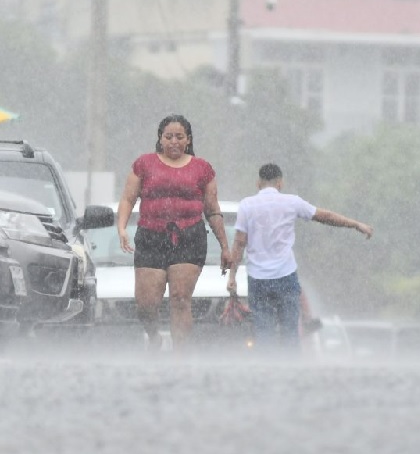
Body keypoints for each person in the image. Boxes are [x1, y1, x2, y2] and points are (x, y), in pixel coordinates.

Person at [227, 163, 373, 350]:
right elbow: (325, 216)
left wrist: (232, 277)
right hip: (285, 277)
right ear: (280, 183)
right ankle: (291, 370)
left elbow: (239, 242)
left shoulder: (246, 205)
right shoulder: (291, 202)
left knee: (264, 333)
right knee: (290, 332)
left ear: (258, 183)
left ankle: (266, 372)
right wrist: (355, 224)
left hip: (258, 279)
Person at [117, 114, 232, 351]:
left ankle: (180, 356)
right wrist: (121, 228)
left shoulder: (203, 169)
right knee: (146, 305)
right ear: (160, 139)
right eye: (168, 137)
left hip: (189, 237)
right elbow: (128, 198)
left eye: (179, 137)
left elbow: (212, 210)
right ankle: (154, 337)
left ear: (188, 140)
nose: (174, 142)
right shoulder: (144, 164)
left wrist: (224, 246)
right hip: (151, 237)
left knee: (180, 299)